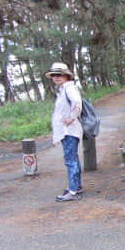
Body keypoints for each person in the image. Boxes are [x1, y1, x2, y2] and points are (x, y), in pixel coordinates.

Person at [45, 62, 83, 202]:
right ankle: (76, 187)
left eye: (59, 74)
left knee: (70, 160)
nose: (56, 77)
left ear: (66, 75)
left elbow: (77, 103)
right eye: (54, 75)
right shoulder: (63, 89)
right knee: (73, 159)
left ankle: (73, 191)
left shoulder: (69, 88)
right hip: (66, 131)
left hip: (69, 131)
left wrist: (71, 118)